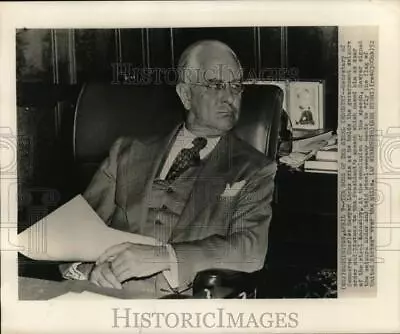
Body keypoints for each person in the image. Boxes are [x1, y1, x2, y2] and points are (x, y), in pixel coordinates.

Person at [62, 40, 277, 298]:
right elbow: (77, 231)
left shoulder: (253, 169)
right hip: (107, 297)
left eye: (236, 87)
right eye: (216, 85)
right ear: (186, 95)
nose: (230, 97)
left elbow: (249, 250)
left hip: (184, 306)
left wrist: (164, 257)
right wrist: (88, 269)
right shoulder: (126, 153)